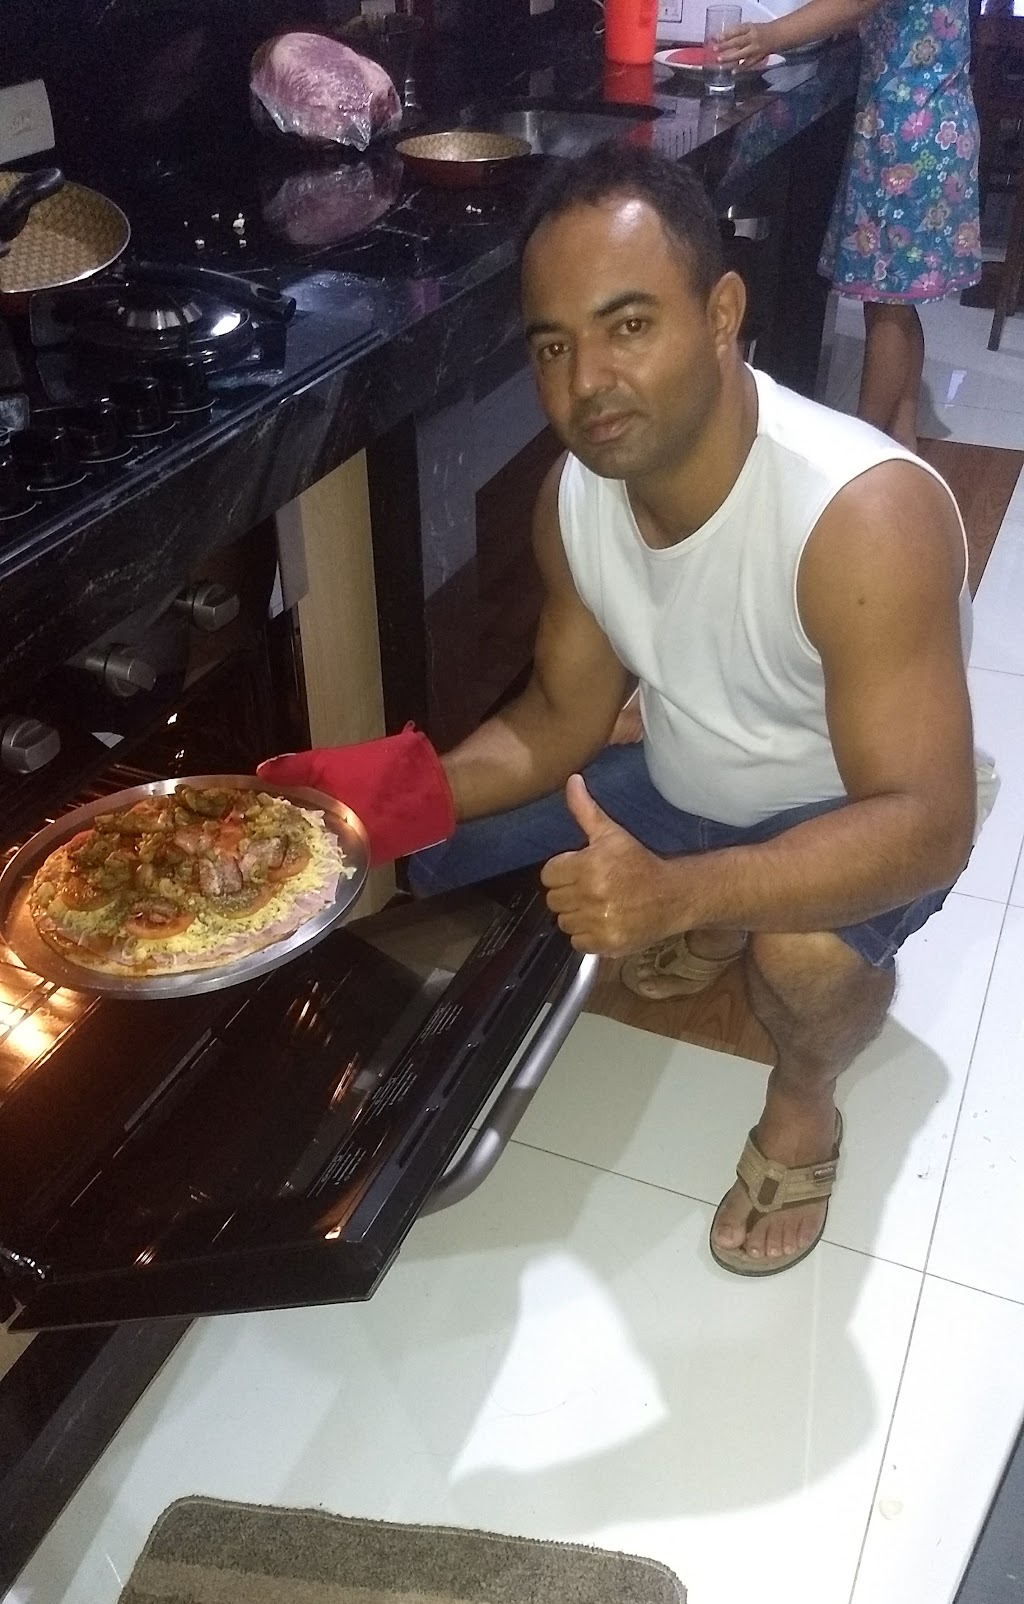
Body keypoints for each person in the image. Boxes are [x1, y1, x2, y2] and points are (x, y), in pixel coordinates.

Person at [260, 144, 976, 1278]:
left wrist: (679, 893)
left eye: (628, 324)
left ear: (722, 313)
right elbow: (559, 716)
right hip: (686, 778)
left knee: (801, 960)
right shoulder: (574, 499)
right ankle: (715, 898)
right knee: (438, 850)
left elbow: (930, 825)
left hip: (856, 811)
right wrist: (361, 803)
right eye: (553, 345)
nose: (586, 381)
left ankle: (804, 1097)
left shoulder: (860, 516)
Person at [718, 0, 982, 450]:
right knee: (896, 298)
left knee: (885, 301)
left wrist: (768, 36)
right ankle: (901, 438)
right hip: (934, 123)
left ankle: (860, 449)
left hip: (907, 138)